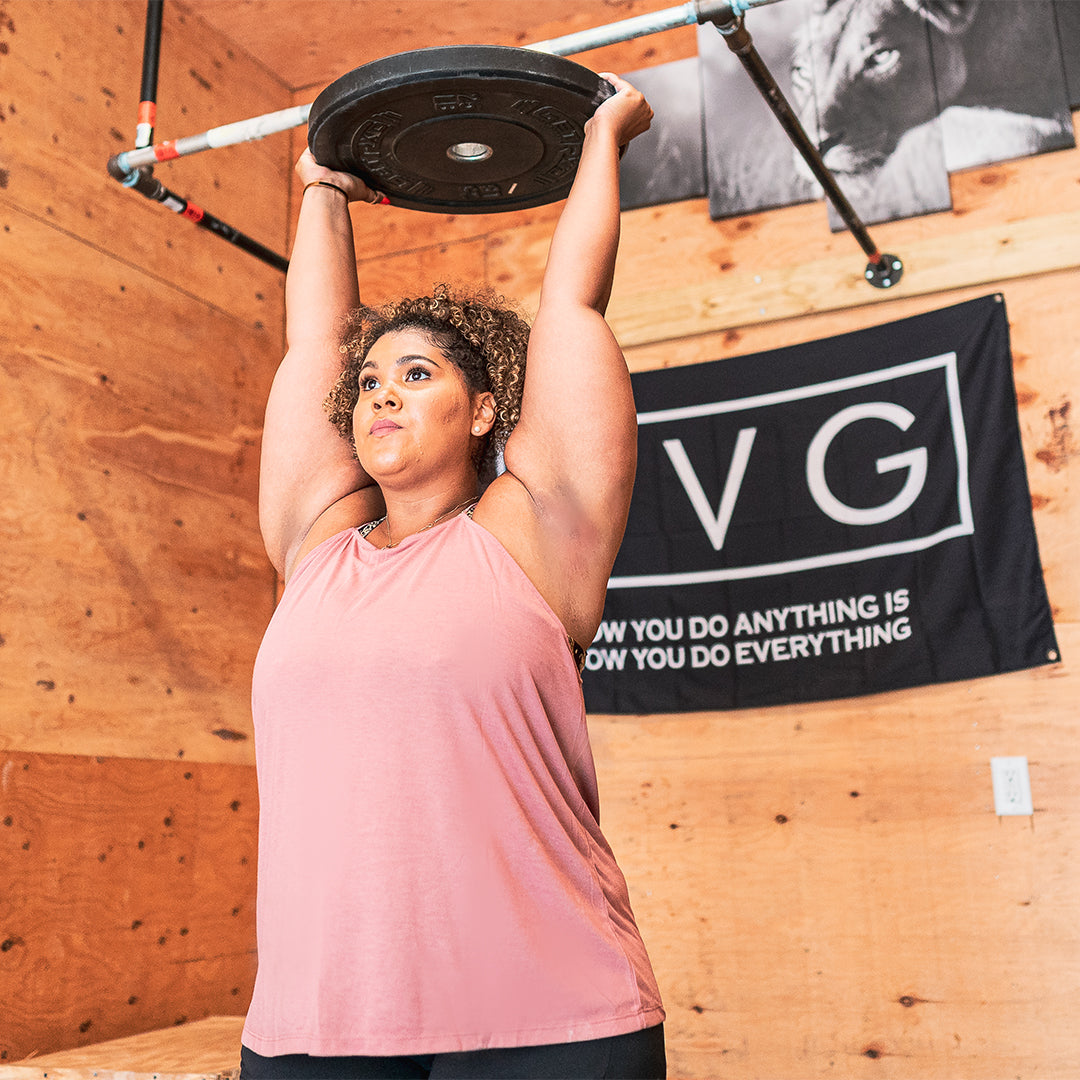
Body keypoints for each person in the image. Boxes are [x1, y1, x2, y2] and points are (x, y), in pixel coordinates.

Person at [240, 70, 664, 1080]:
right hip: (315, 1023)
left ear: (482, 412)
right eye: (373, 384)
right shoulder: (316, 548)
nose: (383, 394)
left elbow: (570, 304)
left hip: (549, 1018)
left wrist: (605, 134)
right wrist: (324, 190)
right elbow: (315, 345)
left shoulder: (532, 532)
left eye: (419, 375)